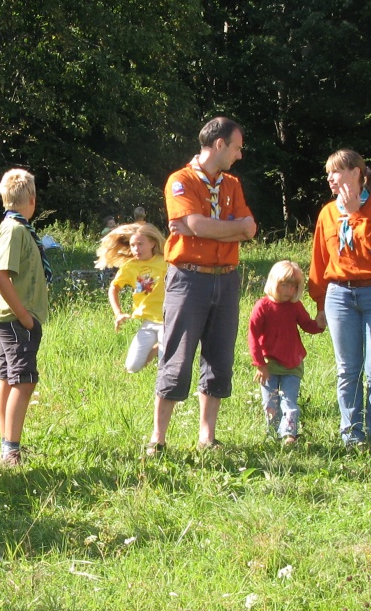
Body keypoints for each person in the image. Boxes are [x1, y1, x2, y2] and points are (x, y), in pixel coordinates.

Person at [150, 117, 257, 453]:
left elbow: (250, 228)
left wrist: (207, 227)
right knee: (176, 357)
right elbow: (193, 224)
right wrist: (230, 227)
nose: (240, 155)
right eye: (237, 147)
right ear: (219, 144)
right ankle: (158, 439)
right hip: (189, 278)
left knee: (219, 358)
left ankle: (207, 438)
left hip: (225, 279)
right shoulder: (180, 181)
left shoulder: (232, 185)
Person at [308, 149, 371, 449]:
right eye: (328, 174)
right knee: (347, 369)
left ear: (356, 174)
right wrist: (319, 303)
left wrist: (354, 214)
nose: (330, 179)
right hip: (339, 297)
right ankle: (351, 435)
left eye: (335, 172)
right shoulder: (326, 213)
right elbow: (319, 261)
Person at [0, 169, 51, 468]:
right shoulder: (14, 229)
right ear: (33, 200)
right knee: (24, 381)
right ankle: (10, 450)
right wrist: (25, 317)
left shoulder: (16, 227)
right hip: (15, 317)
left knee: (9, 378)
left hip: (12, 316)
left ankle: (6, 442)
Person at [247, 260, 325, 445]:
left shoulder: (295, 306)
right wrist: (260, 364)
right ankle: (272, 434)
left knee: (290, 402)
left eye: (293, 286)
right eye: (285, 284)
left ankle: (289, 434)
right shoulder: (262, 306)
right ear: (274, 282)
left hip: (293, 363)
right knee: (270, 403)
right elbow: (253, 336)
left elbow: (307, 325)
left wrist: (320, 325)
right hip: (269, 364)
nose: (289, 290)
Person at [98, 221, 167, 373]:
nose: (136, 249)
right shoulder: (130, 267)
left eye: (140, 244)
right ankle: (156, 349)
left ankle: (161, 350)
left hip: (167, 320)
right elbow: (114, 288)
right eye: (133, 245)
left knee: (166, 367)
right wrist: (118, 313)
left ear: (153, 243)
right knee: (132, 367)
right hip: (147, 321)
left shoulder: (165, 262)